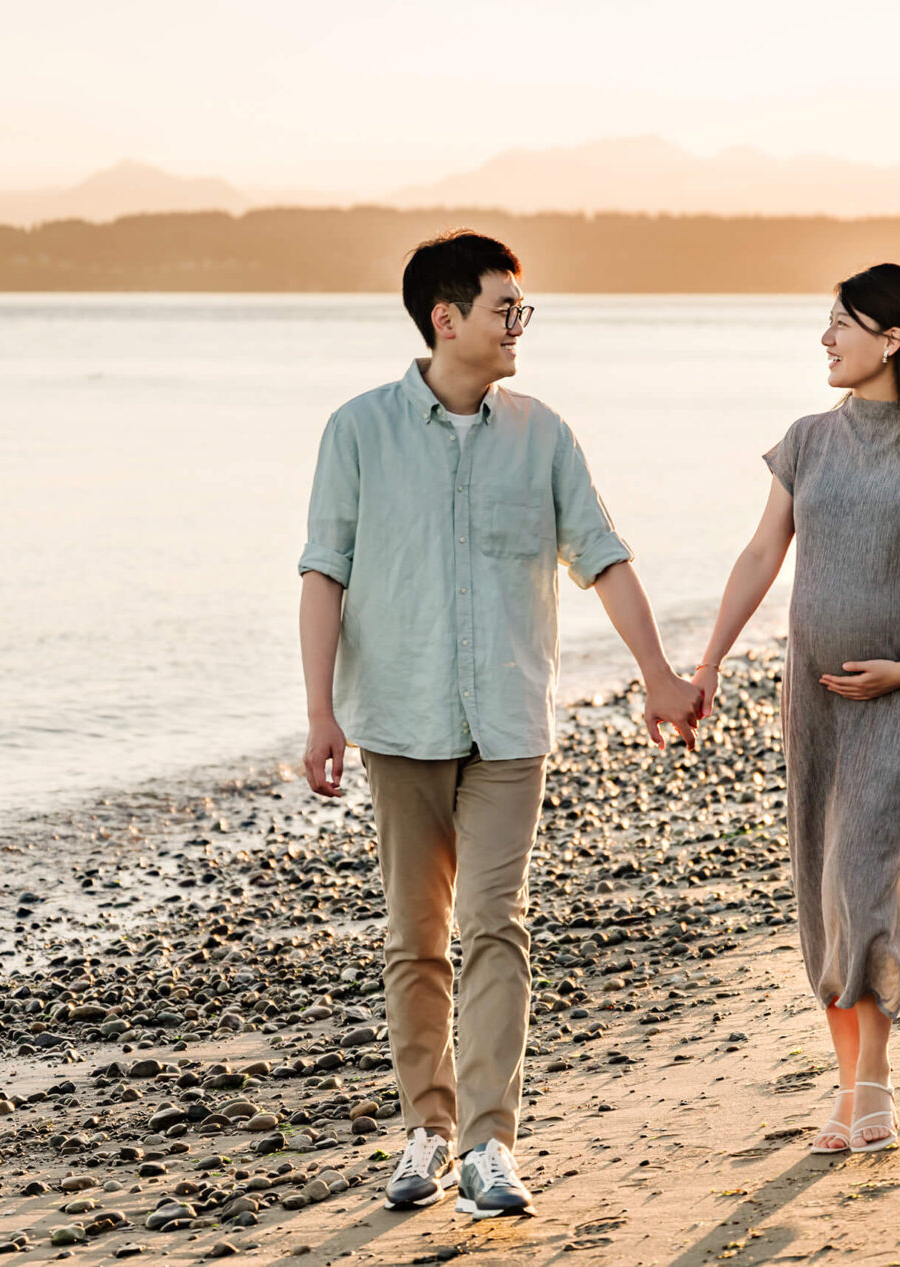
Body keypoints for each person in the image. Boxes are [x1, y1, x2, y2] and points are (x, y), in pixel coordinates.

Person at [296, 231, 703, 1217]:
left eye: (523, 311)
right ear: (447, 318)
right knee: (415, 938)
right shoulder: (357, 431)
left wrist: (657, 673)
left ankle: (488, 1144)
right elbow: (324, 573)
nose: (518, 325)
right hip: (396, 720)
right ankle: (425, 1130)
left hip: (510, 727)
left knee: (496, 925)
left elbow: (602, 555)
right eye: (503, 309)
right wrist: (320, 714)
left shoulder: (543, 433)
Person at [690, 263, 900, 1154]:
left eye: (840, 323)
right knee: (822, 886)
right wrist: (709, 659)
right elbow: (761, 556)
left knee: (861, 879)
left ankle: (874, 1088)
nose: (825, 339)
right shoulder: (804, 441)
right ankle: (849, 1088)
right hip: (816, 706)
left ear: (893, 338)